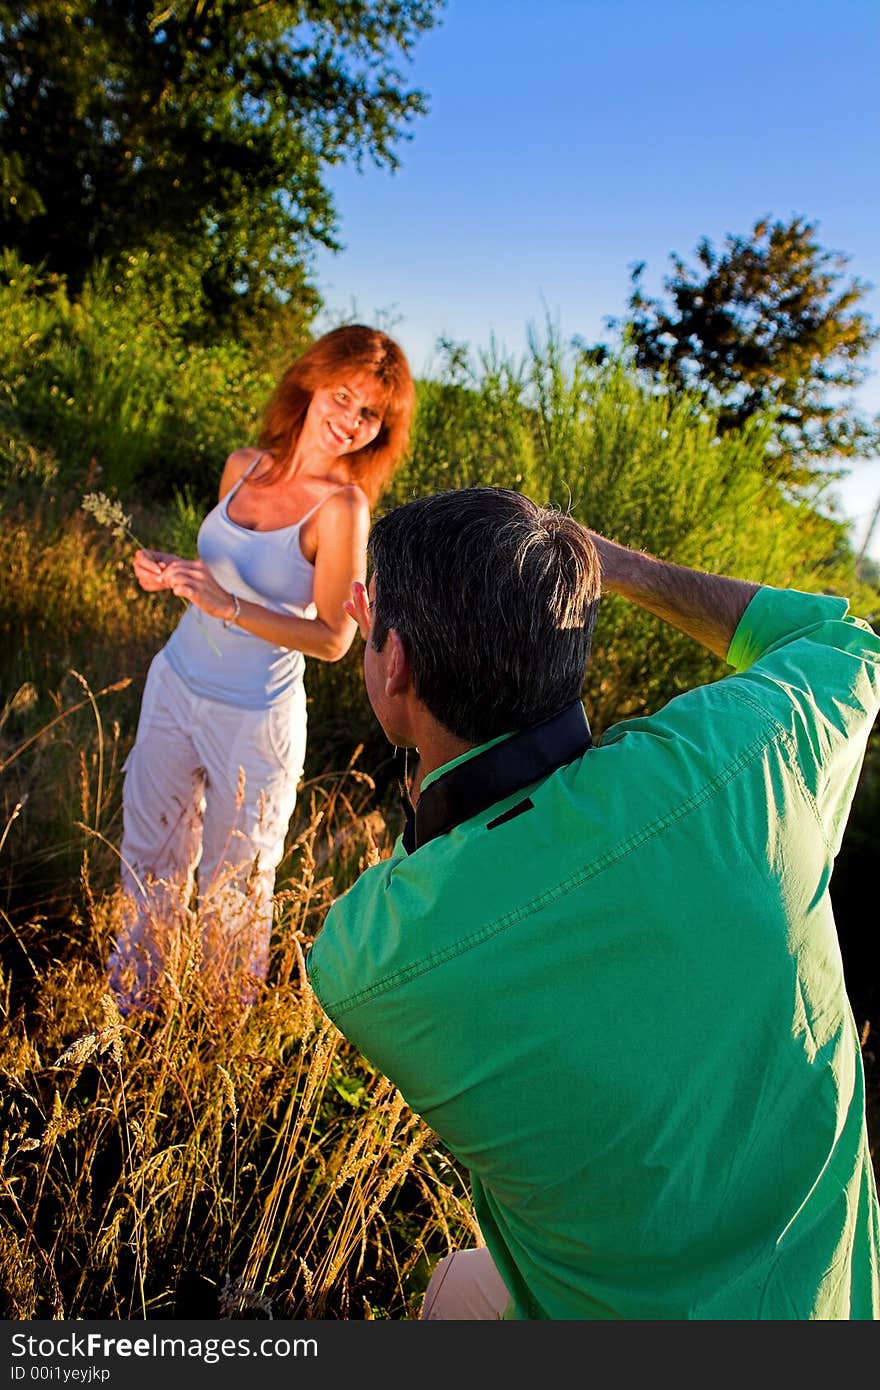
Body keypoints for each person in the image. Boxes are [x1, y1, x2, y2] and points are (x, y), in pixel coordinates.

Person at [306, 485, 880, 1320]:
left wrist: (399, 687)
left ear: (394, 661)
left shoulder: (369, 962)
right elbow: (838, 641)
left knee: (452, 1291)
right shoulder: (749, 758)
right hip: (835, 1308)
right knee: (458, 1287)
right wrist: (625, 567)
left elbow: (442, 843)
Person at [107, 324, 415, 1013]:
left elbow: (335, 637)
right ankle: (131, 1011)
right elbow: (222, 570)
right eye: (343, 397)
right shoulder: (242, 464)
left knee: (236, 882)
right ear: (311, 382)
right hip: (175, 684)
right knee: (150, 853)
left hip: (253, 716)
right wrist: (173, 572)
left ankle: (210, 1033)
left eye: (371, 414)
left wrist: (227, 606)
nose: (352, 422)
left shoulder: (343, 507)